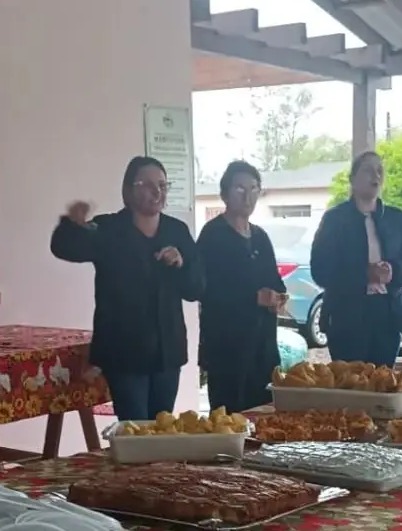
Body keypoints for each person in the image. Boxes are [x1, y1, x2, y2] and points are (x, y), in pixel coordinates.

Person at [51, 156, 204, 421]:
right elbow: (65, 248)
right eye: (146, 184)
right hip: (124, 352)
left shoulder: (176, 231)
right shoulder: (109, 229)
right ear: (128, 191)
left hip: (167, 352)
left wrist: (181, 264)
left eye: (163, 185)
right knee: (135, 430)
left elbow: (197, 289)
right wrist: (72, 225)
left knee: (163, 428)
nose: (157, 191)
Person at [309, 149, 402, 366]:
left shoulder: (396, 218)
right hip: (346, 318)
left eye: (380, 171)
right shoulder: (334, 219)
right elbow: (320, 270)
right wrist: (364, 274)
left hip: (387, 317)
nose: (376, 176)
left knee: (382, 387)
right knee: (351, 391)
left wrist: (394, 272)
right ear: (353, 179)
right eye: (368, 170)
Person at [196, 160, 287, 414]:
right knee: (230, 419)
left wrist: (279, 296)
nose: (248, 196)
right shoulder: (212, 235)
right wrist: (253, 298)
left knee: (265, 414)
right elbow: (206, 290)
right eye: (239, 189)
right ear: (224, 194)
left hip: (263, 346)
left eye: (254, 188)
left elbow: (274, 280)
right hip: (227, 346)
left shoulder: (260, 236)